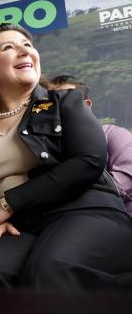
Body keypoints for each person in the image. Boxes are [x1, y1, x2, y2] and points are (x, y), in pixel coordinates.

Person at [0, 24, 132, 292]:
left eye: (27, 45)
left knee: (51, 267)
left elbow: (88, 161)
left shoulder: (64, 102)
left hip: (84, 212)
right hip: (24, 227)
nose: (23, 51)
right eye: (8, 47)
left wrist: (7, 205)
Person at [47, 75, 132, 215]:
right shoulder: (44, 148)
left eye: (65, 100)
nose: (57, 106)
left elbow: (127, 175)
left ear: (86, 105)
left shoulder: (112, 134)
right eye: (51, 101)